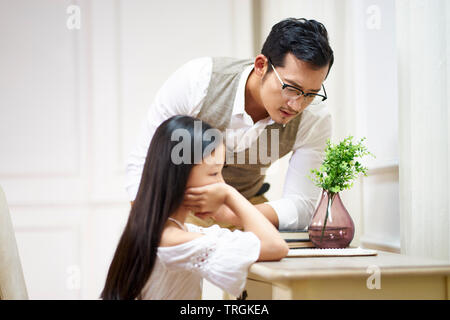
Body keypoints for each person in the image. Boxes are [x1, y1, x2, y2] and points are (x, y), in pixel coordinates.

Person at [126, 18, 334, 231]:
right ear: (261, 65)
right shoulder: (198, 81)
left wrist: (232, 212)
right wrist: (147, 230)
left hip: (249, 208)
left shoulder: (314, 118)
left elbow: (303, 205)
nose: (297, 104)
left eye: (311, 94)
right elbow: (143, 162)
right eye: (291, 88)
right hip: (180, 208)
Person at [101, 116, 288, 300]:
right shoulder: (173, 240)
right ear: (179, 175)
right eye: (214, 173)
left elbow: (267, 243)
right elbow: (275, 246)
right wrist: (229, 194)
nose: (220, 183)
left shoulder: (172, 231)